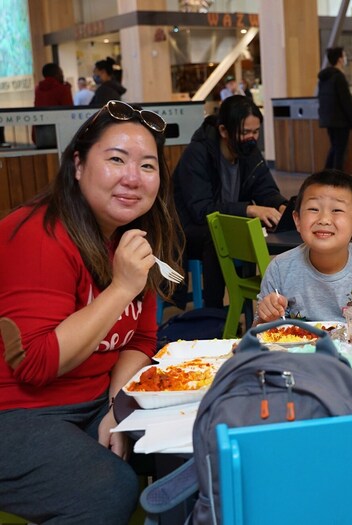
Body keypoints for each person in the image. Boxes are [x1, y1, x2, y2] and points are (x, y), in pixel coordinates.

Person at [0, 100, 183, 523]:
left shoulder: (131, 238)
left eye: (148, 166)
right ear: (78, 165)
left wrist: (117, 407)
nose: (132, 178)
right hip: (16, 414)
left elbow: (140, 340)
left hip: (90, 402)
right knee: (109, 490)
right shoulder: (35, 235)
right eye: (116, 159)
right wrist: (121, 287)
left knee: (184, 447)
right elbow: (34, 363)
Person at [173, 94, 288, 309]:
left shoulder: (249, 153)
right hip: (187, 233)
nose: (251, 138)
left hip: (226, 225)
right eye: (245, 132)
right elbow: (201, 210)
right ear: (224, 131)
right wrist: (249, 209)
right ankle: (214, 311)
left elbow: (266, 190)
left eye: (255, 132)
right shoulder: (197, 154)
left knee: (249, 230)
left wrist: (282, 206)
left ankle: (247, 305)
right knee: (218, 235)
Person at [256, 169, 352, 322]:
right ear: (297, 220)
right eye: (314, 209)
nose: (324, 219)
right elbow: (257, 334)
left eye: (337, 210)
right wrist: (266, 317)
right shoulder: (280, 269)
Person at [317, 46, 352, 170]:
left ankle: (327, 175)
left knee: (335, 148)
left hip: (329, 120)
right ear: (340, 59)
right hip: (340, 121)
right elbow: (346, 101)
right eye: (344, 56)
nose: (345, 58)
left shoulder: (324, 78)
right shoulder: (339, 77)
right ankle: (336, 178)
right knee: (340, 151)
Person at [33, 62, 73, 148]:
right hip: (59, 135)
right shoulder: (62, 89)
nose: (63, 75)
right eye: (61, 73)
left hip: (40, 135)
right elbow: (69, 112)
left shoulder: (38, 89)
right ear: (56, 74)